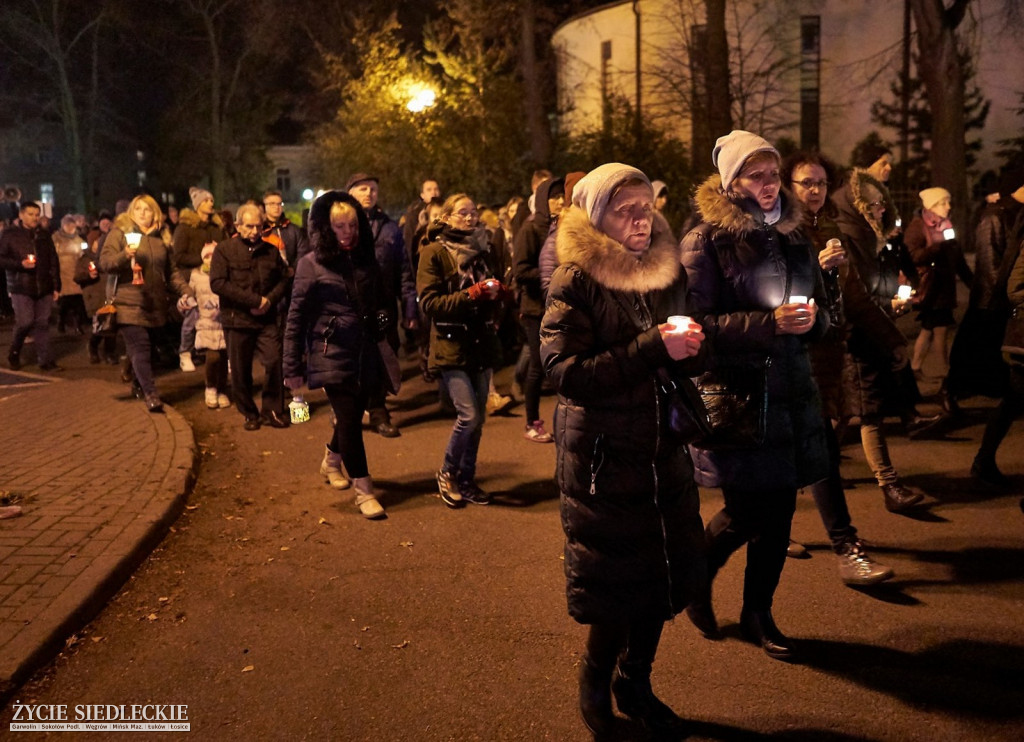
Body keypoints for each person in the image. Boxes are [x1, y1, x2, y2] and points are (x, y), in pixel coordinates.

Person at [541, 163, 707, 736]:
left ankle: (636, 680)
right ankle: (594, 683)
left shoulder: (665, 271)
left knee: (661, 576)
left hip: (662, 449)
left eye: (646, 206)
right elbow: (564, 371)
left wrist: (691, 347)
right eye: (625, 209)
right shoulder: (575, 279)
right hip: (605, 457)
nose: (641, 218)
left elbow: (676, 348)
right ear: (595, 216)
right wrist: (652, 347)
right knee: (616, 585)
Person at [681, 131, 830, 661]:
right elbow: (694, 324)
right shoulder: (706, 240)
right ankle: (694, 583)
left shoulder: (794, 237)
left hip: (790, 394)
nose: (768, 186)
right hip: (741, 398)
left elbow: (821, 308)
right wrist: (767, 325)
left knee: (782, 514)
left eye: (772, 174)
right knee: (746, 512)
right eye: (755, 175)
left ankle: (758, 613)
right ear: (732, 181)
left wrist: (813, 321)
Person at [782, 150, 894, 586]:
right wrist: (818, 269)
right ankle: (847, 546)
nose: (814, 190)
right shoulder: (778, 230)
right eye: (806, 182)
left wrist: (889, 339)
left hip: (828, 350)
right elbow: (780, 292)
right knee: (822, 449)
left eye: (821, 183)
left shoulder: (829, 228)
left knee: (803, 448)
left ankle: (772, 528)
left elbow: (851, 293)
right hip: (794, 354)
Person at [832, 160, 935, 513]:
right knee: (869, 409)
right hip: (854, 332)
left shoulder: (872, 235)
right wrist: (884, 315)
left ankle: (817, 470)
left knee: (845, 412)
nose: (879, 210)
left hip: (871, 324)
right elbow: (852, 291)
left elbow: (876, 283)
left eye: (881, 204)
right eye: (871, 204)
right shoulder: (846, 235)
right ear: (855, 203)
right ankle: (889, 485)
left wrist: (893, 302)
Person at [284, 191, 387, 519]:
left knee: (352, 416)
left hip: (363, 351)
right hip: (329, 351)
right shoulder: (310, 264)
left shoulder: (365, 259)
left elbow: (380, 299)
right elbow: (295, 316)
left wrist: (383, 318)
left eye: (352, 224)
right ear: (326, 228)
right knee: (349, 419)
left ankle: (331, 460)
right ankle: (364, 490)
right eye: (339, 225)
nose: (347, 231)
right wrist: (292, 367)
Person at [418, 193, 506, 508]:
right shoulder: (434, 252)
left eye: (473, 213)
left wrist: (499, 295)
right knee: (468, 415)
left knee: (479, 418)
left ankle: (467, 479)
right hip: (450, 343)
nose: (469, 219)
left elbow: (493, 287)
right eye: (462, 213)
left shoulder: (484, 248)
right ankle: (447, 472)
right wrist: (471, 294)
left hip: (481, 342)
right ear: (446, 218)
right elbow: (430, 303)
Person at [99, 195, 188, 412]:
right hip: (128, 301)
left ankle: (138, 383)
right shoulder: (120, 233)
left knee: (148, 350)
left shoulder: (161, 239)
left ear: (155, 213)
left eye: (147, 209)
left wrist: (186, 291)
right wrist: (123, 256)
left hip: (155, 302)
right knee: (141, 347)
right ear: (131, 212)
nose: (142, 213)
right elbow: (105, 263)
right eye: (137, 209)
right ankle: (151, 394)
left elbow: (171, 272)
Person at [347, 173, 418, 438]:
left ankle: (378, 411)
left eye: (373, 189)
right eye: (362, 189)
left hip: (382, 306)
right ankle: (347, 410)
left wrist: (409, 307)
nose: (368, 193)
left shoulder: (390, 228)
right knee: (350, 361)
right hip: (349, 307)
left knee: (381, 358)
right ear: (350, 192)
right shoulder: (338, 224)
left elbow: (404, 271)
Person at [209, 203, 291, 431]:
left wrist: (269, 301)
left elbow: (284, 279)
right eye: (249, 226)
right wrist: (254, 301)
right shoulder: (225, 250)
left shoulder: (271, 251)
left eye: (258, 226)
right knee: (240, 369)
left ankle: (272, 410)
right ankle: (249, 413)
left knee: (275, 361)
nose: (254, 231)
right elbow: (218, 283)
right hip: (238, 319)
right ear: (238, 225)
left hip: (266, 319)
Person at [947, 182, 1024, 416]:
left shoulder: (1015, 213)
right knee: (973, 347)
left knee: (995, 351)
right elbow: (989, 259)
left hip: (1007, 294)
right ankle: (950, 391)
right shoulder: (995, 214)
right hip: (991, 298)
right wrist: (999, 295)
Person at [513, 176, 565, 443]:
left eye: (562, 196)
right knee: (537, 366)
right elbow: (520, 270)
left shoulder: (563, 226)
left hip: (555, 305)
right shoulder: (531, 228)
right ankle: (532, 421)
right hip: (534, 307)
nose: (559, 201)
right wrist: (552, 274)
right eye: (554, 197)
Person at [905, 187, 973, 378]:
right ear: (931, 206)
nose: (948, 206)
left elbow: (958, 261)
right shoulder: (918, 226)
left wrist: (973, 284)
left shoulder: (947, 226)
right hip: (930, 288)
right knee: (940, 329)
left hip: (944, 288)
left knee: (928, 329)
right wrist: (937, 248)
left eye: (948, 201)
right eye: (943, 202)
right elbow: (911, 257)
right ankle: (945, 372)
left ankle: (916, 366)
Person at [0, 202, 62, 371]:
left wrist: (56, 286)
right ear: (21, 215)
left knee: (42, 323)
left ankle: (45, 360)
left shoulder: (43, 234)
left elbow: (53, 260)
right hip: (21, 286)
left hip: (44, 286)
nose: (34, 218)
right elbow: (2, 259)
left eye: (36, 214)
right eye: (30, 214)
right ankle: (14, 351)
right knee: (25, 322)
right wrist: (20, 264)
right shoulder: (9, 234)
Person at [173, 187, 228, 372]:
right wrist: (202, 259)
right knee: (193, 316)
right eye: (206, 200)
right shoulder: (185, 228)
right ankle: (185, 352)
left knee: (217, 316)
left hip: (215, 278)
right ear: (197, 205)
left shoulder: (217, 228)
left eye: (211, 200)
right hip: (193, 279)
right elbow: (178, 256)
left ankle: (221, 353)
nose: (210, 203)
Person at [187, 244, 230, 410]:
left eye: (213, 255)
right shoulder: (196, 276)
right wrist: (186, 302)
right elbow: (189, 294)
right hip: (206, 323)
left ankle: (222, 389)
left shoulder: (226, 274)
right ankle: (211, 387)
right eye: (207, 256)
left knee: (224, 357)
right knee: (213, 357)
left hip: (224, 323)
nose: (210, 260)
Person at [74, 234, 117, 365]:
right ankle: (93, 347)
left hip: (108, 296)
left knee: (111, 326)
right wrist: (88, 275)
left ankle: (109, 353)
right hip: (94, 297)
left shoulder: (108, 257)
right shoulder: (85, 259)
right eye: (97, 242)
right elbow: (77, 277)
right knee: (98, 327)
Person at [53, 215, 88, 334]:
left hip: (75, 274)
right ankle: (61, 322)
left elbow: (84, 253)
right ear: (63, 226)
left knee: (77, 302)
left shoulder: (79, 239)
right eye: (67, 225)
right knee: (64, 303)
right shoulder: (56, 238)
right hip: (62, 274)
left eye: (72, 225)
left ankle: (77, 325)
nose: (70, 227)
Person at [261, 189, 308, 268]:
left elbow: (302, 253)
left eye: (279, 204)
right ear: (264, 206)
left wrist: (292, 269)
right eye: (272, 203)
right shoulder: (259, 229)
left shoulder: (294, 230)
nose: (276, 207)